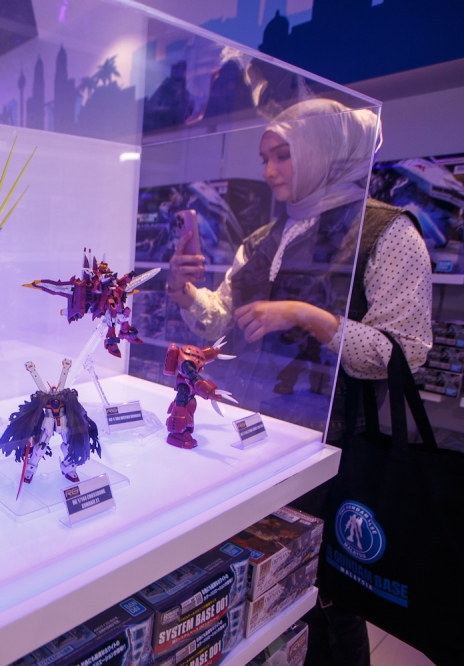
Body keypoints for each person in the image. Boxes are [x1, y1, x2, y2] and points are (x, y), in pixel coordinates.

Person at [165, 99, 433, 665]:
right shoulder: (264, 236)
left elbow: (402, 354)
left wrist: (310, 316)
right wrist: (185, 290)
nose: (269, 171)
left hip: (333, 446)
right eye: (265, 157)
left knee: (331, 594)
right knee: (266, 585)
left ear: (321, 151)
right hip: (257, 437)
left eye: (282, 155)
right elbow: (223, 319)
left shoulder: (388, 234)